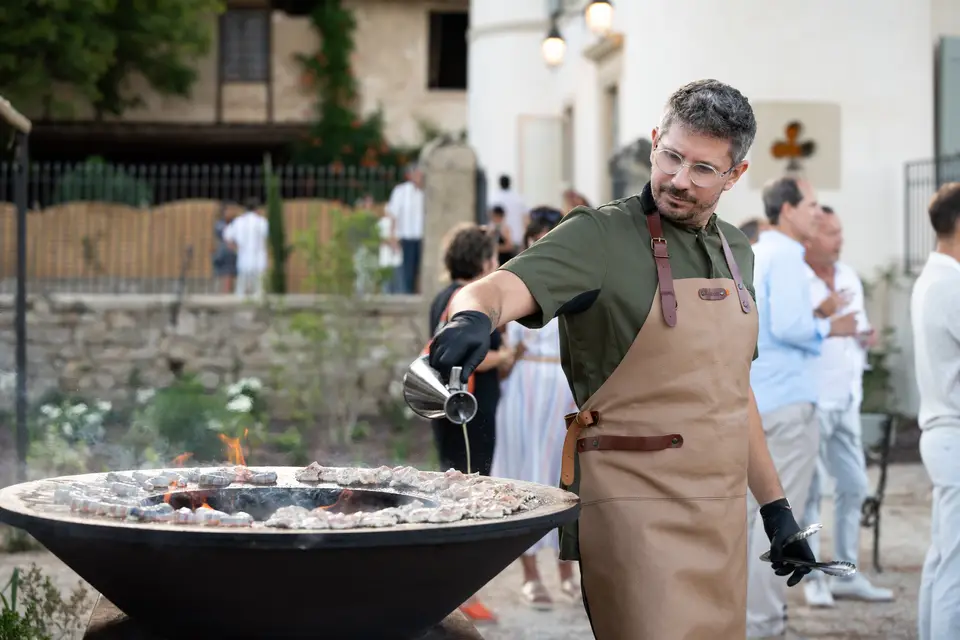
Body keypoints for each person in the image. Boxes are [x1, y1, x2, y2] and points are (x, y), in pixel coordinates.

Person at [426, 79, 819, 640]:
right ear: (656, 141)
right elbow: (494, 289)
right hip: (633, 505)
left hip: (720, 511)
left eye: (703, 169)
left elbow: (733, 394)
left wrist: (776, 508)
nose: (679, 179)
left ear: (736, 175)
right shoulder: (599, 235)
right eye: (671, 156)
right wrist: (470, 318)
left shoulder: (738, 251)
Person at [746, 177, 859, 638]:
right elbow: (790, 326)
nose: (817, 213)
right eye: (811, 205)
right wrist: (831, 326)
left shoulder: (758, 250)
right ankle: (764, 625)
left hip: (759, 398)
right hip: (788, 402)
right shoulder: (788, 254)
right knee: (778, 524)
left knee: (748, 518)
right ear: (787, 210)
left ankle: (746, 620)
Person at [800, 206, 894, 607]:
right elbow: (788, 333)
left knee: (854, 485)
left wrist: (864, 336)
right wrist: (823, 320)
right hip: (812, 399)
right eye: (832, 233)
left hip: (847, 399)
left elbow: (856, 326)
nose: (840, 239)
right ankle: (813, 579)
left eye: (840, 231)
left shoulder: (849, 275)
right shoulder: (797, 279)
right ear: (811, 236)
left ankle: (846, 575)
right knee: (811, 492)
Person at [492, 213, 580, 610]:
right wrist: (513, 354)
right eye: (535, 240)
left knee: (564, 480)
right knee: (523, 475)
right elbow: (506, 358)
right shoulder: (513, 285)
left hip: (562, 391)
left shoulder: (579, 284)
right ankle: (529, 574)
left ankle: (567, 570)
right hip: (523, 389)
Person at [428, 223, 514, 624]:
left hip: (445, 406)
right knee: (472, 493)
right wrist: (510, 355)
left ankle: (450, 590)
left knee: (452, 486)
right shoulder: (473, 302)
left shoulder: (441, 297)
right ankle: (463, 594)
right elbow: (481, 356)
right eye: (494, 258)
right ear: (483, 261)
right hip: (471, 409)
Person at [912, 182, 960, 640]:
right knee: (956, 569)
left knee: (944, 556)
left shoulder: (933, 278)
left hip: (941, 433)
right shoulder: (952, 285)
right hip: (954, 434)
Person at [386, 164, 425, 294]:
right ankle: (407, 294)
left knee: (421, 270)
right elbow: (393, 215)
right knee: (407, 270)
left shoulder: (427, 193)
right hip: (406, 236)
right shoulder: (401, 191)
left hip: (423, 237)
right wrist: (392, 236)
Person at [222, 197, 269, 299]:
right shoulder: (262, 222)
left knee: (241, 293)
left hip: (243, 260)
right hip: (259, 260)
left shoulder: (238, 222)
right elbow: (269, 236)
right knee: (259, 293)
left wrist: (235, 248)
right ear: (257, 209)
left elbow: (227, 236)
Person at [489, 174, 527, 249]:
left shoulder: (494, 198)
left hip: (500, 239)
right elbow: (525, 218)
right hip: (517, 237)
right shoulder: (518, 198)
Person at [212, 204, 238, 293]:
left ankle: (229, 292)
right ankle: (224, 292)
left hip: (233, 253)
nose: (231, 213)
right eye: (228, 211)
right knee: (224, 274)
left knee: (232, 275)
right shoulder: (219, 224)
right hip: (223, 252)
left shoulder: (236, 223)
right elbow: (223, 236)